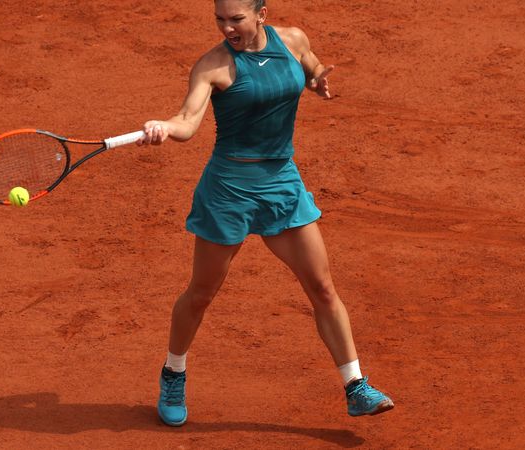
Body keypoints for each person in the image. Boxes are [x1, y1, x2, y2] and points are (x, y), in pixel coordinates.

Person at [135, 0, 394, 426]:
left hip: (281, 183)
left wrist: (316, 80)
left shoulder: (292, 40)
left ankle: (356, 386)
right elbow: (187, 121)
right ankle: (173, 374)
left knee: (322, 287)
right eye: (220, 19)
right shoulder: (213, 66)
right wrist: (164, 127)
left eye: (236, 19)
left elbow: (311, 66)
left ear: (262, 14)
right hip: (229, 190)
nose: (227, 28)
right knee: (201, 294)